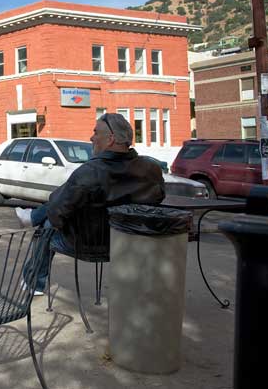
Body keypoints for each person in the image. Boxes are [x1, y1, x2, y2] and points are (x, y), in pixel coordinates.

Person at [19, 113, 165, 295]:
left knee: (47, 225)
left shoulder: (89, 172)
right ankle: (33, 217)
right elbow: (158, 198)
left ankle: (34, 282)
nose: (91, 137)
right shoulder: (151, 169)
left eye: (96, 132)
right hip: (130, 242)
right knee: (61, 202)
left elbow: (57, 214)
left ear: (111, 139)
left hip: (87, 244)